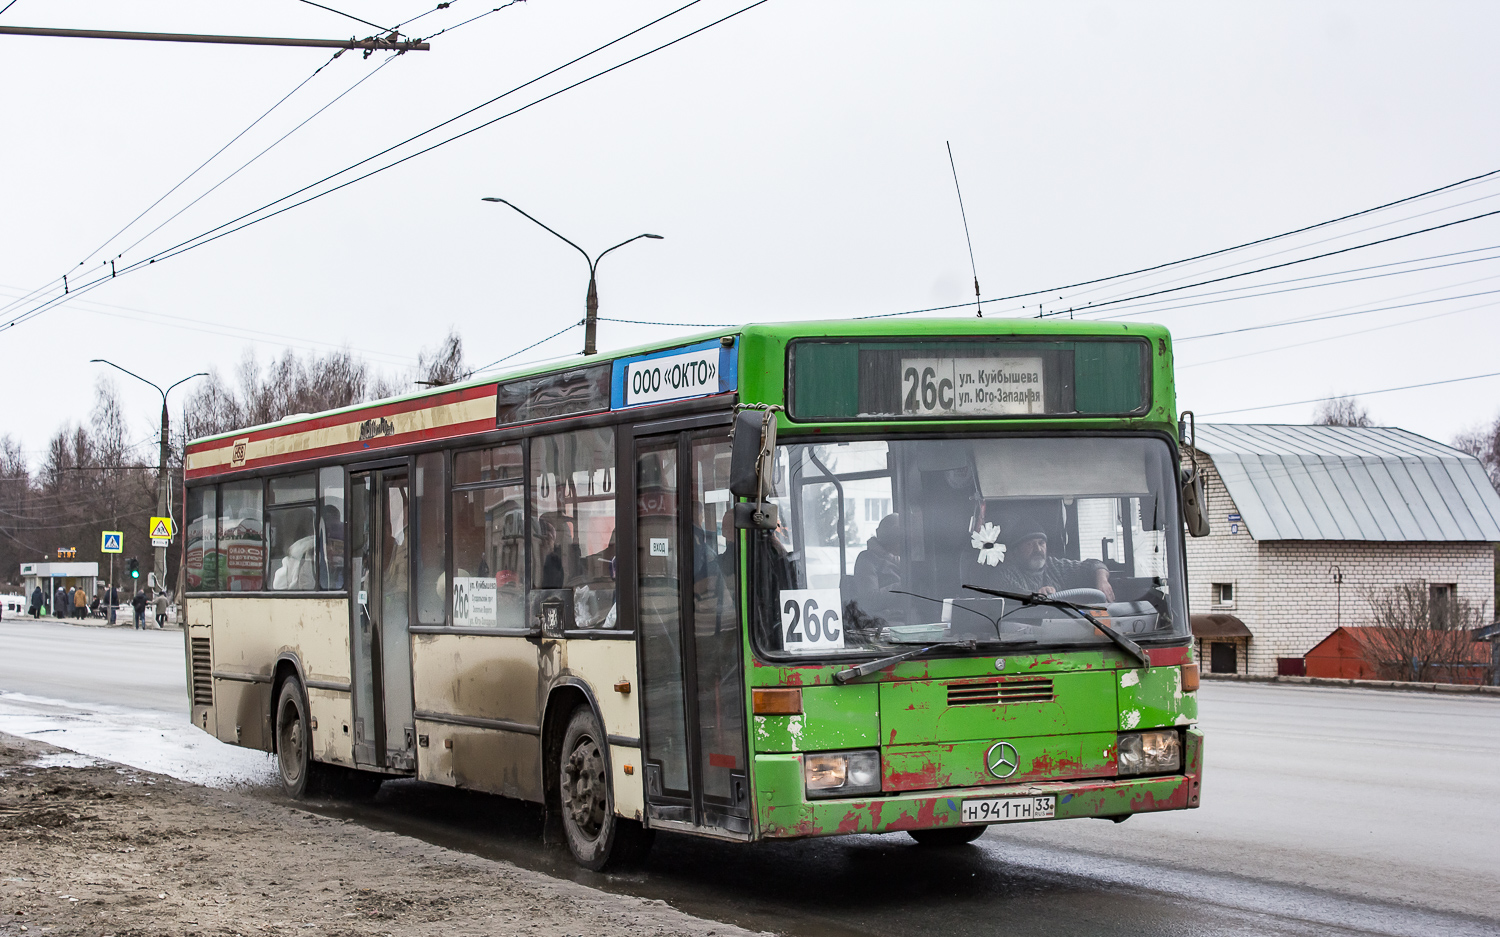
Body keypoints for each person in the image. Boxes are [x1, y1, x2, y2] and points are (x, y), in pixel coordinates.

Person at [975, 523, 1114, 600]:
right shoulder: (1005, 573)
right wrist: (1037, 594)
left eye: (1041, 543)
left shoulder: (1055, 566)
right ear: (1016, 551)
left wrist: (1102, 580)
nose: (1038, 549)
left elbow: (1093, 565)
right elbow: (1014, 595)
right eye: (1030, 544)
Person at [851, 513, 904, 616]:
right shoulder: (867, 559)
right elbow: (869, 600)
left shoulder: (909, 559)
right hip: (887, 622)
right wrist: (904, 586)